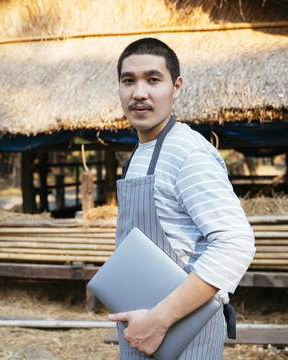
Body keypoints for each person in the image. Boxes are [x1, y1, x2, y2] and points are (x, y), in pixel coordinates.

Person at [108, 37, 256, 359]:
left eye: (153, 79)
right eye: (128, 81)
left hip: (182, 333)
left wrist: (158, 321)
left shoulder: (186, 152)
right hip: (142, 326)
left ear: (176, 87)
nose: (139, 93)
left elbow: (235, 243)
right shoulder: (139, 154)